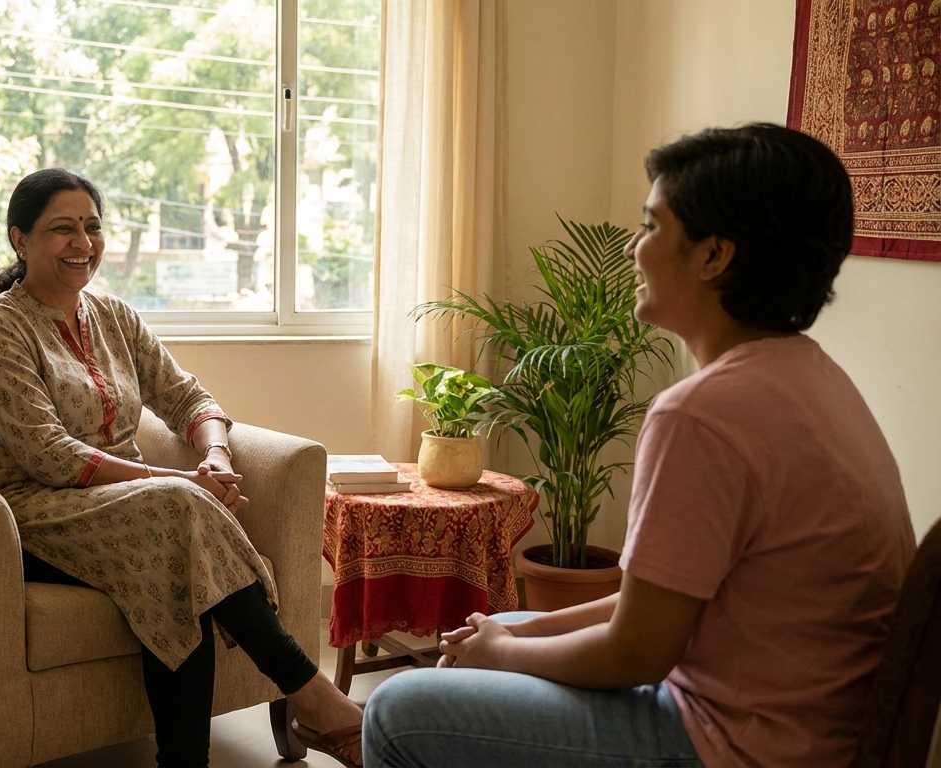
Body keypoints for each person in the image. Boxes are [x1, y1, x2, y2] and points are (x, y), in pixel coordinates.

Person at [362, 123, 917, 767]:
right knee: (505, 627)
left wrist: (503, 654)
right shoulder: (814, 378)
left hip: (736, 745)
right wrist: (510, 636)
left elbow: (636, 653)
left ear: (714, 256)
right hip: (806, 726)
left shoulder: (702, 414)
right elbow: (656, 608)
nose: (632, 248)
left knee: (397, 711)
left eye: (652, 226)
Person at [0, 168, 365, 768]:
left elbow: (188, 398)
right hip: (25, 514)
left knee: (174, 549)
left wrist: (215, 455)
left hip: (134, 510)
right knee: (177, 512)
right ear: (20, 239)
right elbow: (49, 455)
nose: (83, 243)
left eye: (92, 227)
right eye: (62, 229)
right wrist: (180, 482)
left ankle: (189, 760)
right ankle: (315, 699)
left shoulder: (114, 316)